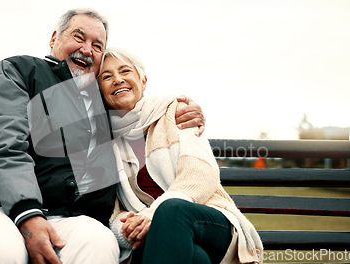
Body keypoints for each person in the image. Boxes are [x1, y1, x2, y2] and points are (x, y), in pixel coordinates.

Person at [0, 8, 205, 264]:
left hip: (72, 219)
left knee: (99, 244)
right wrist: (28, 214)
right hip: (6, 208)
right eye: (79, 37)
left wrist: (180, 109)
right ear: (54, 38)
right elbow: (2, 147)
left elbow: (139, 109)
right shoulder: (20, 70)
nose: (87, 50)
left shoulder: (101, 100)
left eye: (97, 46)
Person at [97, 48, 263, 264]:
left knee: (171, 210)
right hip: (159, 239)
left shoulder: (175, 112)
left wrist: (152, 215)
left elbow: (200, 175)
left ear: (143, 80)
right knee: (195, 259)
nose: (117, 80)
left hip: (207, 219)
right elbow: (115, 209)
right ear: (100, 90)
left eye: (125, 71)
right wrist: (128, 229)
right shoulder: (105, 143)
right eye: (106, 76)